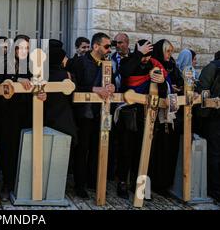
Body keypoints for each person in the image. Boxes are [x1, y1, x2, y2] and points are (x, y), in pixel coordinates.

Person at [0, 34, 47, 200]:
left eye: (26, 47)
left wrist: (42, 94)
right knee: (8, 149)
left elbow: (42, 86)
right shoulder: (4, 63)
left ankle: (23, 185)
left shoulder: (35, 65)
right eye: (19, 47)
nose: (22, 50)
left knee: (25, 149)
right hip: (8, 113)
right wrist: (17, 79)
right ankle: (7, 184)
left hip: (28, 112)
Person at [116, 39, 166, 199]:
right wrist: (138, 54)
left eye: (148, 55)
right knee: (125, 150)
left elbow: (162, 90)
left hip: (148, 114)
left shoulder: (155, 65)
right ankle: (122, 182)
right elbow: (125, 73)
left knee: (144, 151)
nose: (145, 59)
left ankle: (141, 186)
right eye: (143, 54)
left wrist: (163, 81)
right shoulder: (128, 61)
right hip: (129, 112)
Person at [71, 32, 114, 198]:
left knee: (99, 147)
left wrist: (112, 87)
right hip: (84, 113)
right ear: (96, 46)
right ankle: (79, 185)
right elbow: (73, 86)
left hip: (102, 113)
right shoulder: (80, 62)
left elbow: (113, 82)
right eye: (106, 46)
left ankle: (92, 181)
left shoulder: (108, 64)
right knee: (82, 149)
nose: (109, 49)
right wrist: (93, 89)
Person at [148, 39, 183, 195]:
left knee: (168, 151)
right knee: (154, 152)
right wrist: (166, 86)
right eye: (167, 51)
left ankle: (164, 184)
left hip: (171, 115)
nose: (170, 54)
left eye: (171, 51)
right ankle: (150, 185)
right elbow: (156, 87)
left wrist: (176, 87)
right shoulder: (154, 65)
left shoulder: (172, 66)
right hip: (155, 116)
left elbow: (178, 82)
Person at [197, 51, 220, 202]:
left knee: (215, 154)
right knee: (216, 154)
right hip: (214, 118)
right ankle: (215, 189)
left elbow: (203, 92)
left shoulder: (211, 68)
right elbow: (204, 94)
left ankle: (215, 189)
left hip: (213, 118)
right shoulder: (213, 68)